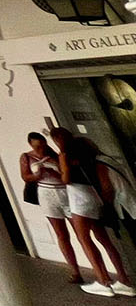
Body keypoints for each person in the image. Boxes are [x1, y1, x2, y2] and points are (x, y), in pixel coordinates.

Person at [50, 126, 135, 296]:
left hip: (79, 199)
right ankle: (123, 278)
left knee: (85, 239)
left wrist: (58, 169)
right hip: (94, 196)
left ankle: (103, 280)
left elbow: (66, 179)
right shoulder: (87, 152)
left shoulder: (65, 155)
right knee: (104, 239)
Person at [20, 131, 82, 284]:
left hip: (63, 192)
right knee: (61, 234)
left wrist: (53, 171)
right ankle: (74, 270)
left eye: (42, 145)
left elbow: (66, 174)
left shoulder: (55, 155)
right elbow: (25, 176)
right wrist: (37, 175)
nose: (41, 149)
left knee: (81, 232)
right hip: (46, 193)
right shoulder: (27, 157)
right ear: (31, 145)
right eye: (37, 146)